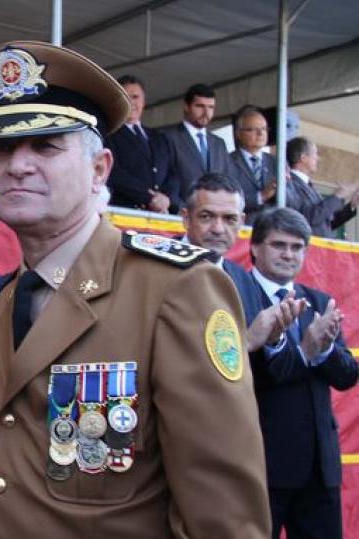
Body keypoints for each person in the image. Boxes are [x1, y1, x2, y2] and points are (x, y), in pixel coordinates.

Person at [0, 40, 271, 539]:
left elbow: (226, 529)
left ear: (101, 168)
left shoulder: (176, 288)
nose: (18, 165)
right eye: (5, 148)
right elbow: (18, 441)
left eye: (46, 146)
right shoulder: (7, 300)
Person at [247, 207, 358, 539]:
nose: (288, 254)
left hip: (318, 466)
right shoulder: (237, 293)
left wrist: (323, 352)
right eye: (279, 245)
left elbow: (346, 376)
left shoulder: (318, 301)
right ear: (255, 248)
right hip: (260, 463)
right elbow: (245, 373)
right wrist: (306, 353)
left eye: (297, 247)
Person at [180, 173, 306, 355]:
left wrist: (272, 340)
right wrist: (246, 341)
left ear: (241, 222)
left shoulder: (245, 281)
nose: (218, 229)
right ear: (186, 218)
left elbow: (262, 374)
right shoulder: (153, 268)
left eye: (230, 219)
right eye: (206, 216)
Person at [104, 75, 179, 213]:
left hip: (163, 213)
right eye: (126, 97)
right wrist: (148, 198)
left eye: (135, 97)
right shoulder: (109, 135)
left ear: (144, 101)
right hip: (127, 213)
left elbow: (173, 174)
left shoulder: (159, 137)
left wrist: (167, 199)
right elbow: (114, 173)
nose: (132, 102)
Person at [161, 83, 233, 205]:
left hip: (214, 213)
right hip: (181, 214)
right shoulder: (169, 138)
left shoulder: (219, 144)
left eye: (211, 107)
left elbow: (227, 180)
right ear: (186, 107)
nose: (206, 112)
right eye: (200, 106)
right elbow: (166, 179)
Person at [285, 136, 357, 238]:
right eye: (315, 154)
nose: (318, 158)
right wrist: (337, 196)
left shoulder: (309, 185)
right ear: (303, 158)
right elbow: (306, 218)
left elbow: (326, 222)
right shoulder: (289, 182)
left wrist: (352, 205)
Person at [229, 106, 280, 221]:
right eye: (253, 129)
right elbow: (224, 200)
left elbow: (291, 201)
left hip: (272, 227)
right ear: (238, 133)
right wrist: (261, 196)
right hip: (242, 229)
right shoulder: (226, 161)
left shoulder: (277, 163)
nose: (261, 134)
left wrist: (282, 188)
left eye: (264, 129)